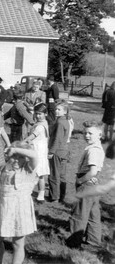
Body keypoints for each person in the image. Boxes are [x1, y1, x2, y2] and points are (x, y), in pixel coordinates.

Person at [0, 141, 39, 264]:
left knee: (17, 243)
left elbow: (34, 155)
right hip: (5, 209)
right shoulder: (4, 168)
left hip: (20, 210)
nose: (16, 160)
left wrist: (16, 150)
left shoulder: (28, 169)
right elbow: (1, 191)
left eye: (20, 157)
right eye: (14, 157)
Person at [66, 121, 105, 249]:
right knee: (93, 215)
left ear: (99, 134)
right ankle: (94, 241)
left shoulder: (93, 151)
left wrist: (80, 181)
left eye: (90, 133)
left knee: (79, 214)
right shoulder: (96, 147)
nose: (87, 136)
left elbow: (93, 171)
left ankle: (73, 242)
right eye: (85, 133)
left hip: (86, 185)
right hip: (94, 187)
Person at [24, 103, 50, 203]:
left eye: (40, 114)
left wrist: (23, 142)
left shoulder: (40, 126)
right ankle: (40, 195)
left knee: (37, 174)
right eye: (36, 114)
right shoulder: (43, 123)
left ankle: (38, 194)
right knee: (39, 174)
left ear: (45, 114)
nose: (38, 116)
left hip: (38, 152)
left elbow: (33, 136)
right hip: (40, 150)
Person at [47, 100, 71, 203]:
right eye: (56, 109)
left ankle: (54, 197)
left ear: (65, 111)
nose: (56, 111)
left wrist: (51, 152)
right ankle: (62, 196)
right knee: (62, 175)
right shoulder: (66, 120)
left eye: (59, 109)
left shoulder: (60, 122)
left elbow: (57, 138)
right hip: (64, 150)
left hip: (57, 151)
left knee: (53, 174)